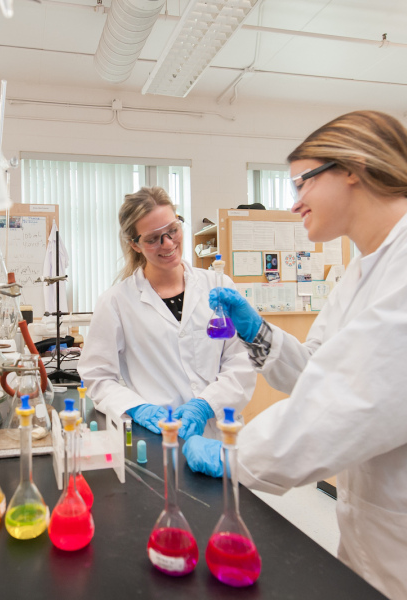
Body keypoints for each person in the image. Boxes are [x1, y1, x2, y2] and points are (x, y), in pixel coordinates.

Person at [182, 110, 407, 600]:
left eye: (302, 182)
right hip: (371, 530)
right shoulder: (363, 270)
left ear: (352, 167)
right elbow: (319, 373)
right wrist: (259, 332)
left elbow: (348, 401)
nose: (295, 202)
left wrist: (235, 455)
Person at [78, 187, 256, 439]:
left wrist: (206, 405)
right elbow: (97, 376)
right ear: (135, 244)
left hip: (222, 431)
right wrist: (137, 408)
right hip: (161, 435)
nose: (169, 244)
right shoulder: (116, 302)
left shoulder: (219, 285)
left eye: (173, 230)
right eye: (153, 238)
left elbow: (241, 361)